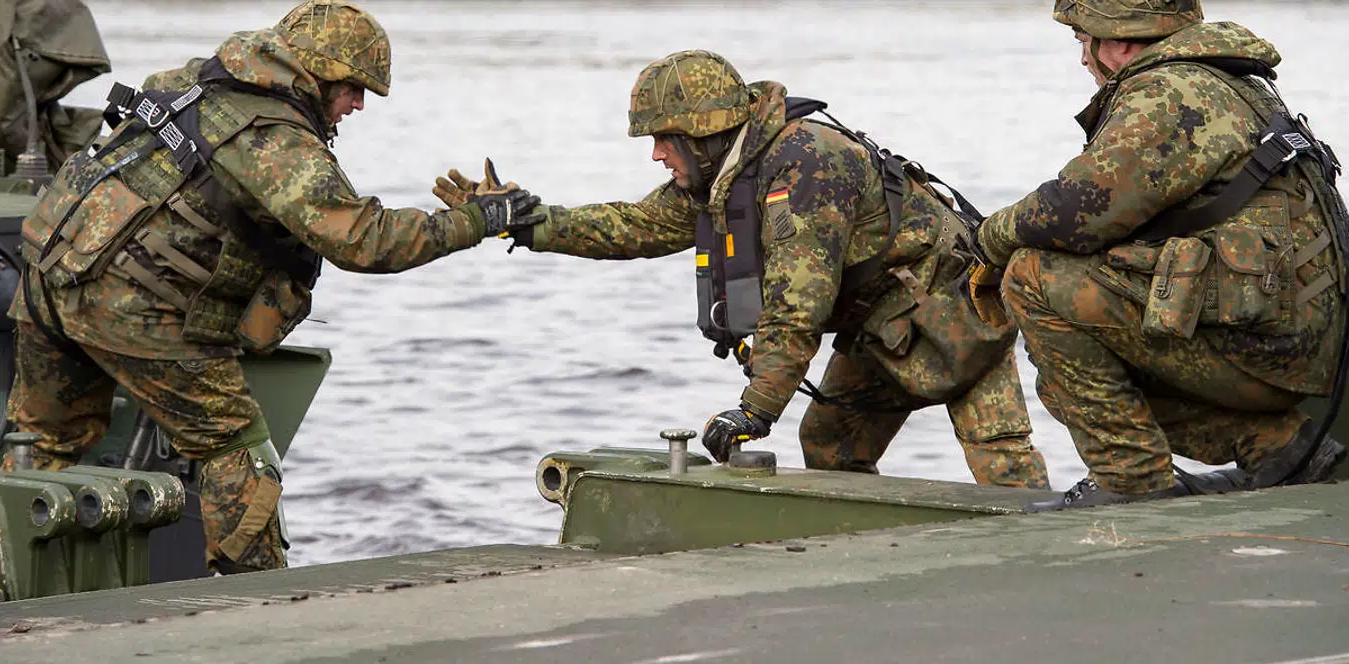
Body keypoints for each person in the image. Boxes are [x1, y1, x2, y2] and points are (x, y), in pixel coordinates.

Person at [2, 0, 542, 572]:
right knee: (240, 453)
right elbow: (367, 240)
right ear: (317, 71)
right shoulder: (274, 138)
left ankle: (3, 582)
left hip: (47, 281)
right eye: (354, 88)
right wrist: (483, 219)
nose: (358, 104)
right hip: (132, 306)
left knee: (42, 447)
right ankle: (258, 601)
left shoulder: (193, 79)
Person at [438, 49, 1049, 488]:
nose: (655, 154)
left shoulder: (805, 166)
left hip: (954, 310)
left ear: (701, 134)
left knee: (1005, 468)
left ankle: (1056, 570)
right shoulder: (726, 173)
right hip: (881, 325)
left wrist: (754, 409)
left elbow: (795, 306)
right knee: (829, 445)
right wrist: (524, 219)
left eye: (663, 140)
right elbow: (635, 226)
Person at [976, 0, 1349, 511]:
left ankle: (1132, 482)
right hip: (1289, 338)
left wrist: (988, 236)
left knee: (1035, 277)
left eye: (1085, 39)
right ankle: (1274, 446)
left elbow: (1073, 211)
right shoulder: (1226, 81)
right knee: (1066, 385)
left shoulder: (1172, 92)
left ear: (1121, 39)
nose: (1084, 58)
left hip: (1264, 345)